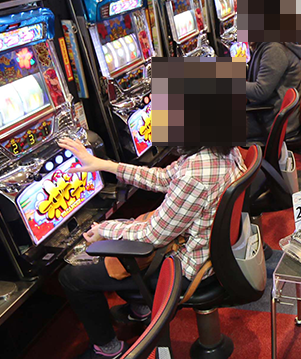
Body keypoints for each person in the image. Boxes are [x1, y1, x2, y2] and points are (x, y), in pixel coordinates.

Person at [58, 138, 246, 359]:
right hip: (209, 251)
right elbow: (164, 178)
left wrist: (105, 229)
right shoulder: (222, 149)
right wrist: (104, 165)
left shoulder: (195, 175)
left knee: (72, 277)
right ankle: (141, 309)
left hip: (187, 268)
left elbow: (152, 236)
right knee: (129, 226)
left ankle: (108, 349)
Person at [246, 41, 301, 144]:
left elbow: (260, 91)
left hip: (269, 120)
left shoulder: (274, 49)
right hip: (265, 111)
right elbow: (253, 72)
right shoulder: (265, 44)